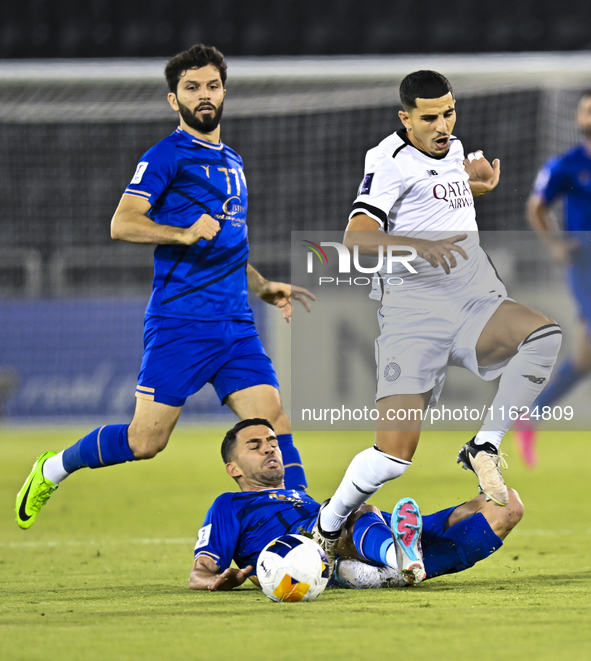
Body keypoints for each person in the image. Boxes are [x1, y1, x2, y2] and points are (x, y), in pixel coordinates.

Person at [15, 44, 314, 530]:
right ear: (173, 99)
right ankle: (54, 467)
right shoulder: (165, 156)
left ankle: (303, 527)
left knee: (273, 423)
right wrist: (180, 232)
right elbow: (122, 223)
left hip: (236, 324)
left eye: (212, 86)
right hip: (181, 322)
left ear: (224, 92)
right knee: (145, 442)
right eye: (192, 88)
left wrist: (261, 287)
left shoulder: (233, 160)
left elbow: (227, 244)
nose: (204, 96)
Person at [312, 70, 559, 564]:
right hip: (413, 315)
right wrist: (418, 247)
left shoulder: (455, 149)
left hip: (473, 301)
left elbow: (439, 197)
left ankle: (484, 446)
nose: (442, 124)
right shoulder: (387, 162)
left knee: (543, 336)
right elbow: (357, 239)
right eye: (429, 117)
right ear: (406, 118)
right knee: (391, 460)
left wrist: (478, 187)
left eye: (449, 112)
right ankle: (326, 528)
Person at [188, 418, 523, 592]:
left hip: (365, 534)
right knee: (352, 509)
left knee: (507, 507)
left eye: (273, 443)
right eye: (255, 445)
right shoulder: (229, 505)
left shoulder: (299, 494)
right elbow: (199, 573)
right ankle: (396, 556)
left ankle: (397, 569)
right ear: (232, 468)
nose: (269, 449)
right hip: (310, 546)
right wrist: (216, 581)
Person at [514, 90, 591, 467]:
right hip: (586, 262)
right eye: (585, 110)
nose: (587, 115)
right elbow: (536, 207)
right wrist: (556, 245)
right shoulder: (566, 164)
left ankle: (529, 414)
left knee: (584, 358)